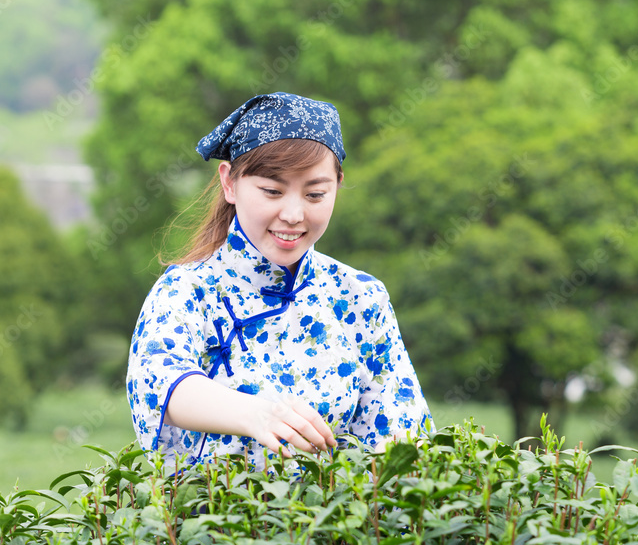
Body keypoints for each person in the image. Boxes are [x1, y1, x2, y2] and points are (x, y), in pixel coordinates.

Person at [126, 91, 433, 470]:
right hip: (208, 525)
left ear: (338, 186)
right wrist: (256, 415)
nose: (293, 214)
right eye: (272, 191)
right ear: (230, 184)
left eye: (315, 194)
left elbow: (401, 440)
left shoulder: (361, 297)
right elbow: (158, 384)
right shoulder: (187, 290)